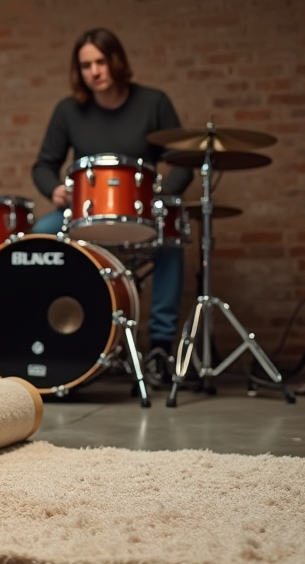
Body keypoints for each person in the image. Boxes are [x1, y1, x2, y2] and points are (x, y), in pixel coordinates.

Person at [30, 28, 191, 372]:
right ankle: (59, 333)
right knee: (40, 235)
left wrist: (159, 199)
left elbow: (182, 161)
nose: (95, 72)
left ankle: (160, 347)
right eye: (86, 65)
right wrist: (54, 189)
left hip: (139, 213)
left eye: (101, 62)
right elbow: (44, 165)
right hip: (84, 214)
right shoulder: (68, 110)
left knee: (171, 244)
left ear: (116, 61)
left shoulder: (154, 102)